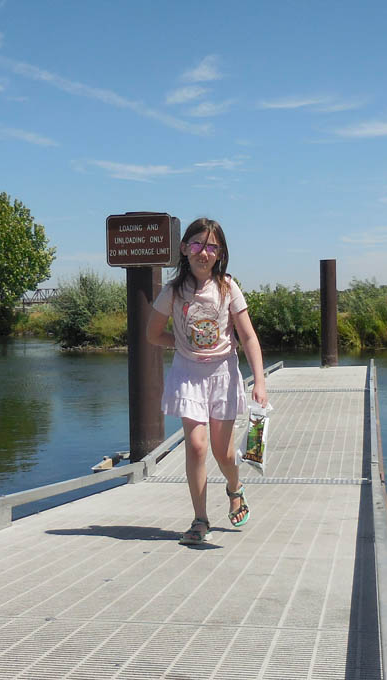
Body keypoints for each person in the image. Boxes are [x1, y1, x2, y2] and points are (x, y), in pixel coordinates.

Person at [146, 217, 268, 545]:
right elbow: (153, 334)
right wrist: (182, 345)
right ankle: (200, 519)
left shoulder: (228, 287)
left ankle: (235, 489)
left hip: (223, 375)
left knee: (223, 453)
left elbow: (249, 337)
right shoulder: (172, 292)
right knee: (197, 446)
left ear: (220, 254)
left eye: (212, 246)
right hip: (188, 375)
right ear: (185, 249)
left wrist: (259, 381)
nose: (204, 252)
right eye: (198, 244)